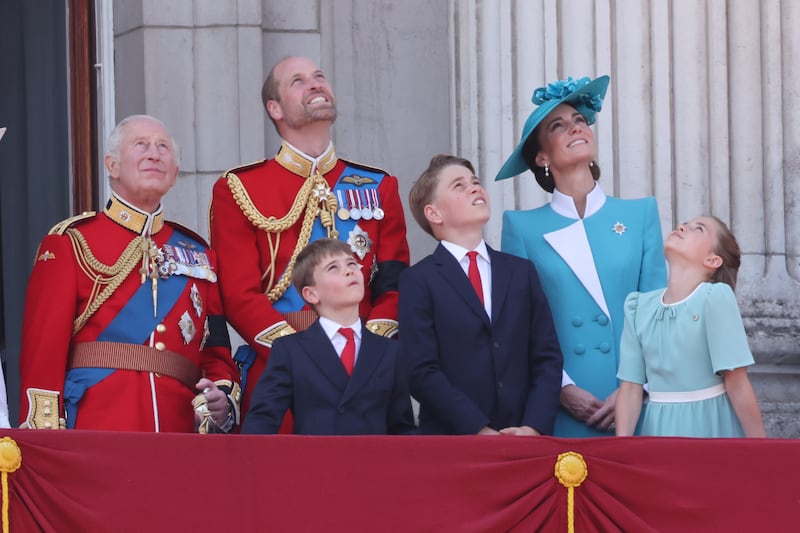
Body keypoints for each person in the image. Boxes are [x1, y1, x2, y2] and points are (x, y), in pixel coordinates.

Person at [210, 56, 410, 422]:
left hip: (364, 371)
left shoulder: (380, 186)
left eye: (319, 76)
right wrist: (298, 354)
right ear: (275, 108)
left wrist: (369, 350)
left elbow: (394, 283)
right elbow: (238, 295)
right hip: (281, 370)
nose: (316, 83)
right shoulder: (239, 188)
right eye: (298, 81)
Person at [18, 115, 240, 433]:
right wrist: (46, 440)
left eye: (163, 147)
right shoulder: (72, 242)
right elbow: (43, 354)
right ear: (112, 165)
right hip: (96, 430)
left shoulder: (199, 255)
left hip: (177, 436)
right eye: (141, 145)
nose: (154, 153)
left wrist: (219, 405)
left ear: (175, 173)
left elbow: (216, 354)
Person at [496, 75, 667, 437]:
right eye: (558, 126)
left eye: (579, 121)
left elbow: (658, 312)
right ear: (541, 156)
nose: (575, 128)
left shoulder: (640, 215)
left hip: (637, 403)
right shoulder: (521, 227)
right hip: (563, 409)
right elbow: (519, 323)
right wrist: (561, 389)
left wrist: (635, 388)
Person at [399, 154, 562, 436]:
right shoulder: (418, 280)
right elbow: (421, 371)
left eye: (475, 181)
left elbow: (547, 357)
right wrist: (478, 430)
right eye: (459, 186)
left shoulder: (521, 271)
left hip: (523, 439)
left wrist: (533, 427)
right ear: (434, 213)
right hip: (453, 442)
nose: (475, 188)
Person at [242, 238, 415, 435]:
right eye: (333, 268)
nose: (349, 270)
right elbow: (262, 421)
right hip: (315, 463)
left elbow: (402, 428)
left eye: (352, 263)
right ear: (311, 294)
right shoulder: (291, 350)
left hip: (374, 463)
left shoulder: (389, 351)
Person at [615, 216, 766, 437]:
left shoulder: (714, 298)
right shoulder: (638, 307)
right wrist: (622, 446)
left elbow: (737, 383)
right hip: (657, 431)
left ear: (713, 260)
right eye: (685, 223)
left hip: (710, 427)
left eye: (699, 228)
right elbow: (630, 388)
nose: (682, 226)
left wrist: (762, 450)